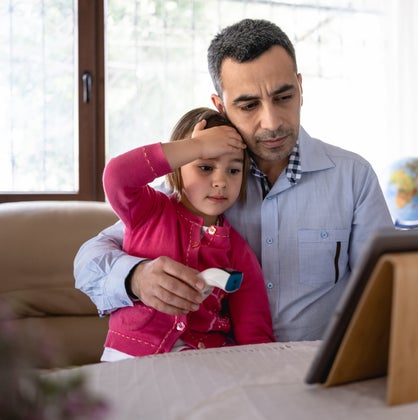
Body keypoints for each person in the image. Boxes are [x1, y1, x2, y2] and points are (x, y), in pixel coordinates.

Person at [74, 18, 393, 342]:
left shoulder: (354, 178)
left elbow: (386, 292)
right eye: (249, 105)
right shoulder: (193, 183)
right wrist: (136, 278)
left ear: (300, 89)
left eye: (283, 97)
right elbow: (89, 259)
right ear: (220, 106)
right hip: (221, 373)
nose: (271, 122)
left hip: (316, 371)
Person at [99, 107, 274, 361]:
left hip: (203, 364)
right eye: (205, 166)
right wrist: (195, 146)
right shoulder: (148, 210)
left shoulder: (238, 251)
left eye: (233, 171)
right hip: (129, 357)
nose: (220, 181)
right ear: (178, 166)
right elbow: (117, 176)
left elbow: (255, 335)